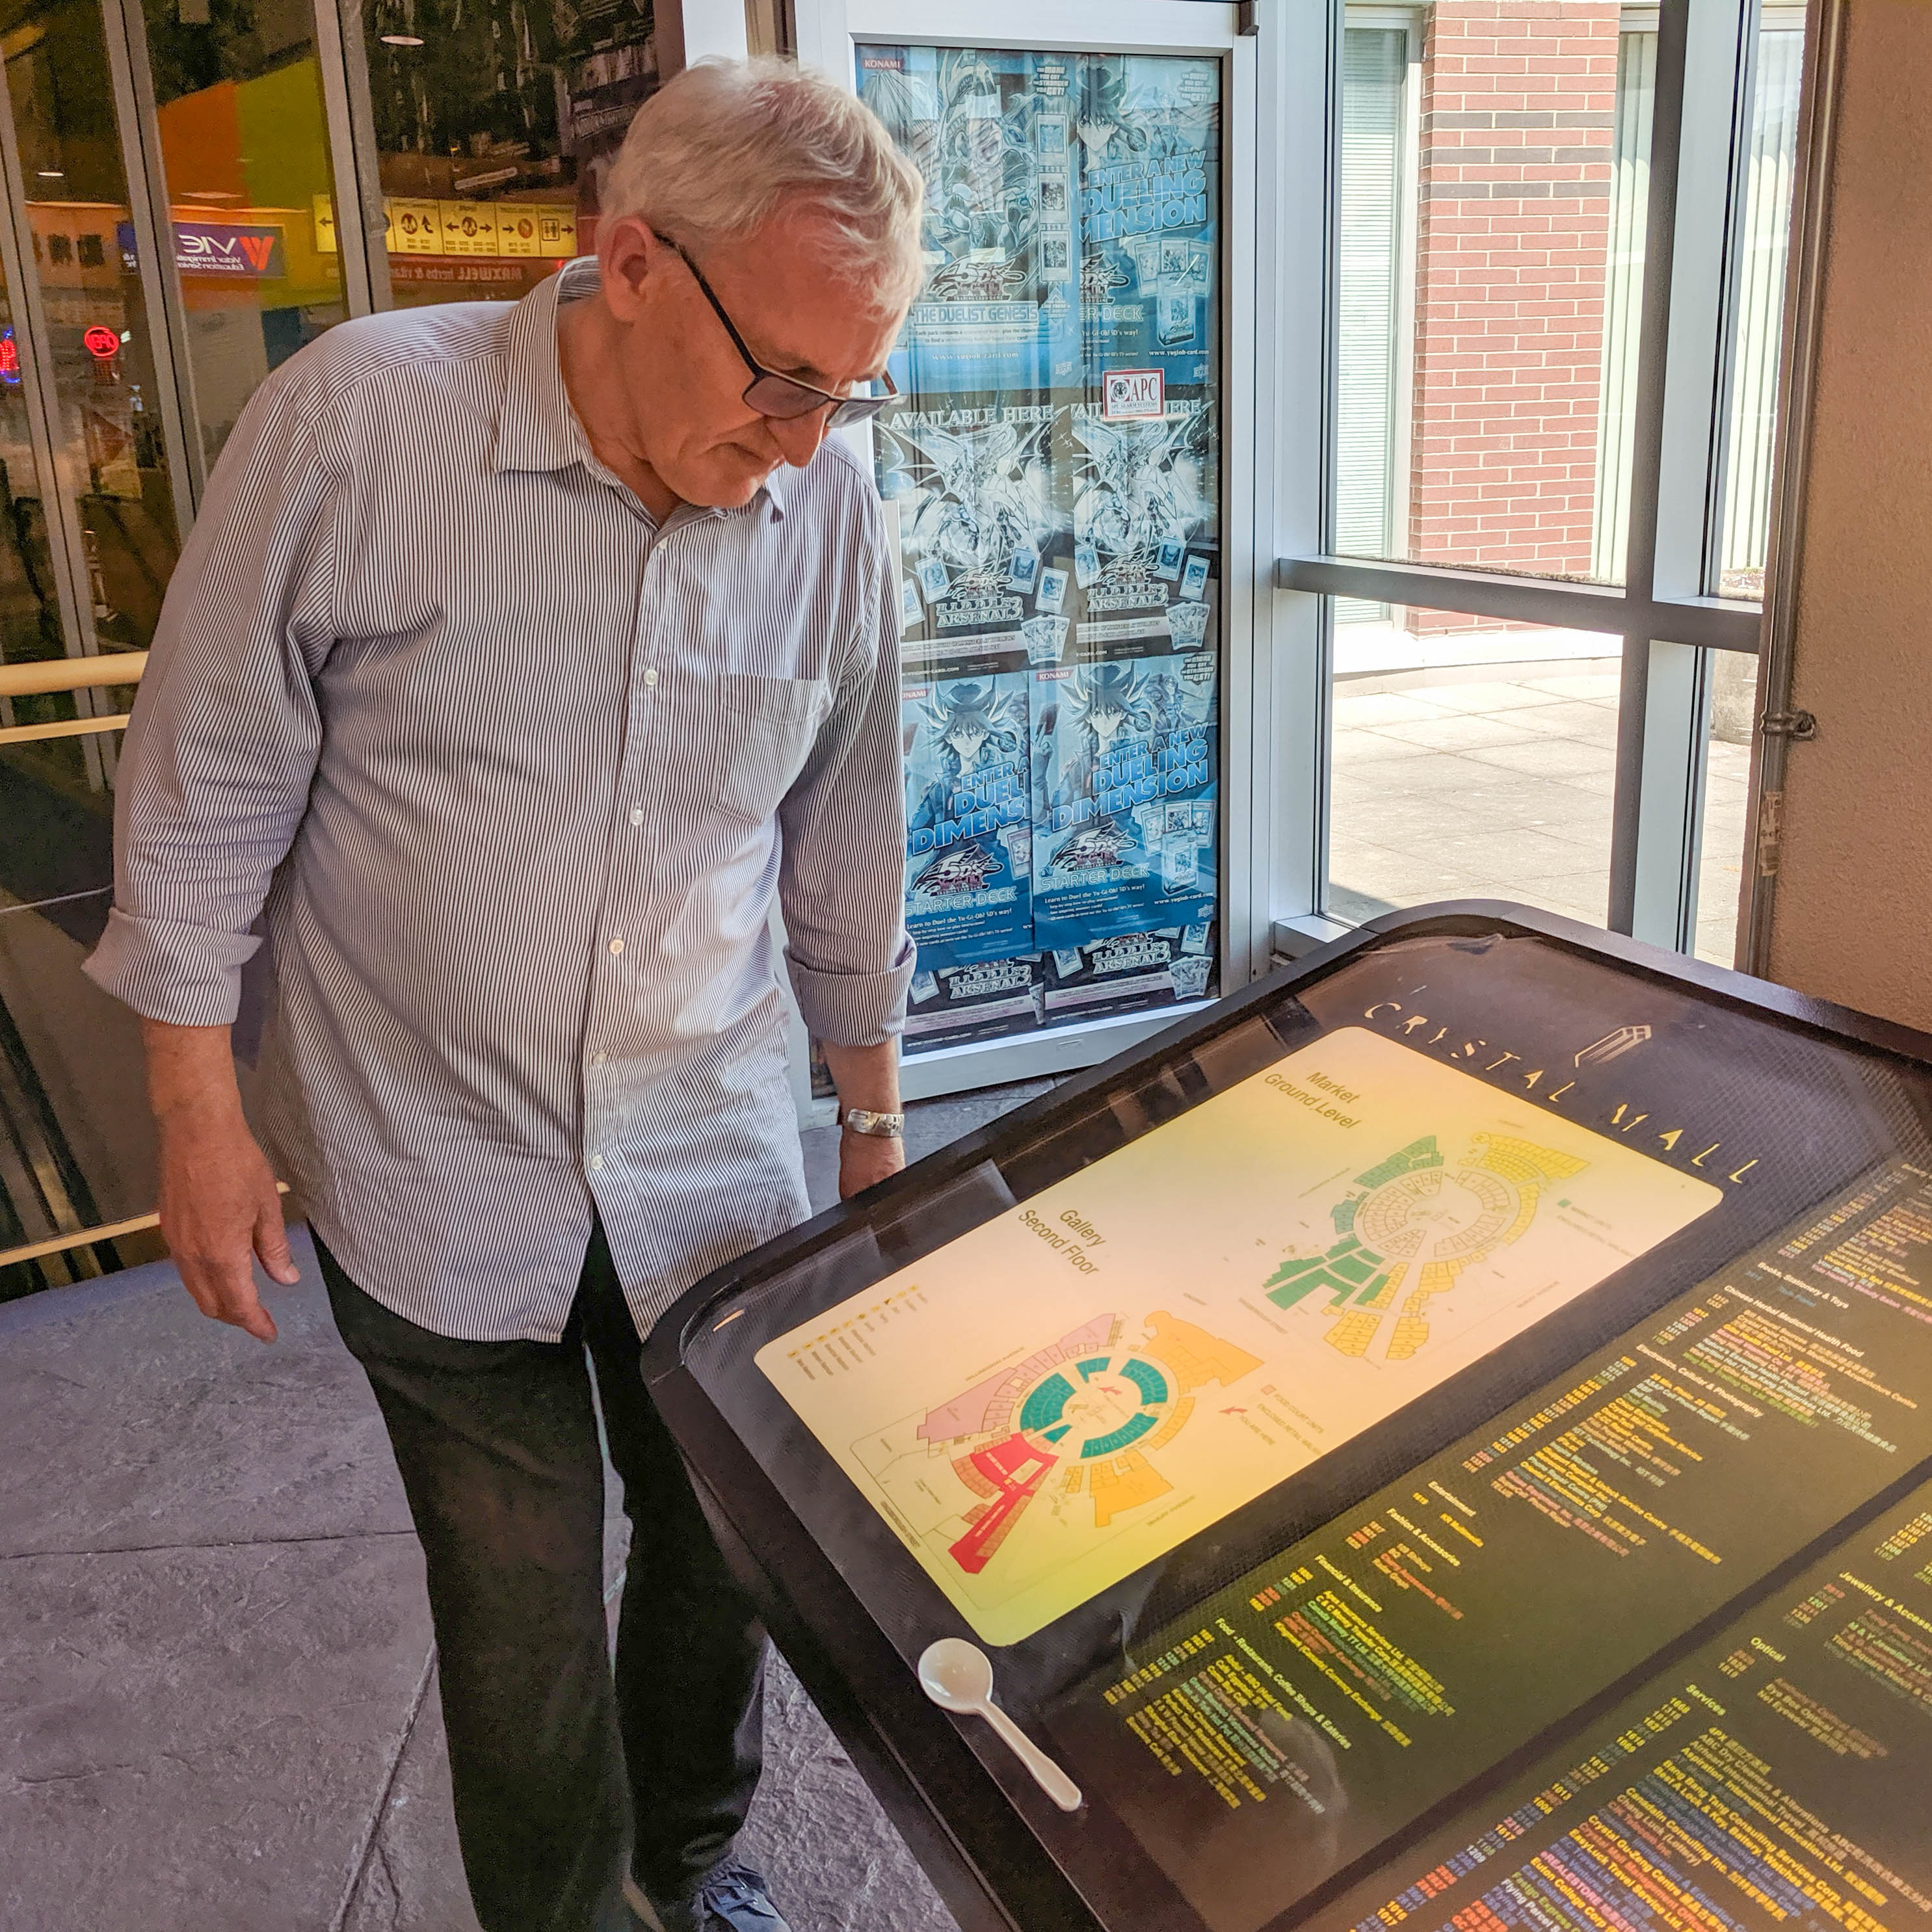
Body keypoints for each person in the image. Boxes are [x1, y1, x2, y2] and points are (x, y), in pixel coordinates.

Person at [85, 57, 926, 1932]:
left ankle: (688, 1873)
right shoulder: (361, 426)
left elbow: (841, 835)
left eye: (844, 391)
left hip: (708, 1162)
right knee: (521, 1601)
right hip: (425, 1157)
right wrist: (197, 1109)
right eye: (776, 377)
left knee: (727, 1555)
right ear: (627, 261)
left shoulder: (828, 513)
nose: (801, 439)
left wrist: (874, 1134)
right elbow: (210, 772)